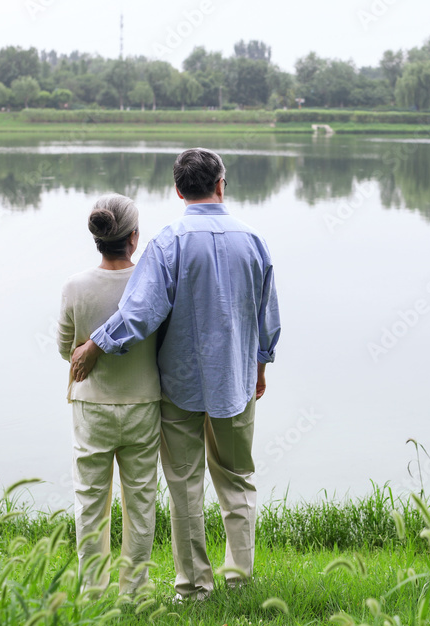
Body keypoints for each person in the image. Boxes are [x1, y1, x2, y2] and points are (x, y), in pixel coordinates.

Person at [70, 148, 281, 601]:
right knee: (238, 478)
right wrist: (259, 367)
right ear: (221, 184)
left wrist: (95, 344)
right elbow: (268, 319)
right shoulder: (254, 240)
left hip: (179, 385)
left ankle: (193, 586)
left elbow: (141, 312)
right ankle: (240, 578)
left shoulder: (167, 243)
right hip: (237, 381)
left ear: (178, 190)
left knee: (184, 485)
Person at [57, 194, 162, 598]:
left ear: (99, 239)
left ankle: (92, 591)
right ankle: (135, 590)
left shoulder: (75, 286)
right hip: (143, 404)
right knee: (141, 503)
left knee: (90, 502)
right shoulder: (151, 286)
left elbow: (65, 348)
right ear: (133, 238)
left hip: (92, 406)